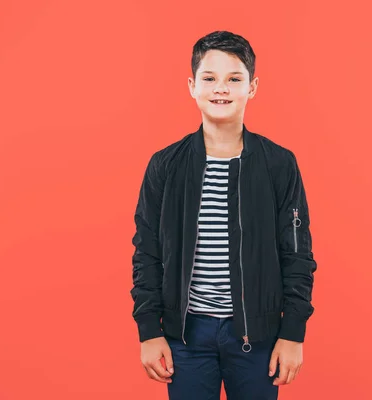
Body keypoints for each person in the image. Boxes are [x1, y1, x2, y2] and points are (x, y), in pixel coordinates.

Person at [130, 30, 318, 400]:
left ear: (252, 87)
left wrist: (293, 332)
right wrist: (150, 331)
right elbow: (147, 253)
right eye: (209, 78)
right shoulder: (165, 166)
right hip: (185, 336)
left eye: (234, 79)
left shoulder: (278, 164)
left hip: (256, 336)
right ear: (191, 85)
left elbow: (297, 255)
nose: (221, 89)